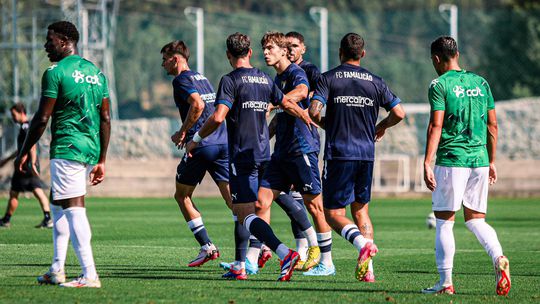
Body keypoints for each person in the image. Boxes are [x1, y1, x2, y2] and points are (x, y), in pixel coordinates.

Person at [186, 32, 314, 281]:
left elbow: (219, 116)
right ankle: (239, 265)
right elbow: (284, 103)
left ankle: (283, 252)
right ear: (251, 53)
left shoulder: (230, 80)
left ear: (228, 55)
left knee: (244, 214)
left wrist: (196, 140)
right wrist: (303, 114)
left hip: (243, 156)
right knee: (257, 206)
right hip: (265, 154)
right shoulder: (265, 78)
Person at [15, 21, 111, 288]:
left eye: (50, 40)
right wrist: (102, 159)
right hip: (88, 149)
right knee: (58, 206)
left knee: (74, 208)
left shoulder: (55, 71)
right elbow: (105, 118)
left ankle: (89, 274)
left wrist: (24, 152)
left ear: (66, 41)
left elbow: (42, 117)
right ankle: (57, 268)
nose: (46, 45)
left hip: (67, 146)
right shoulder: (97, 73)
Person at [309, 33, 405, 282]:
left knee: (332, 214)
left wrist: (326, 124)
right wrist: (381, 126)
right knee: (361, 211)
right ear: (362, 54)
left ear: (340, 52)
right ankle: (368, 270)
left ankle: (362, 244)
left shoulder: (328, 78)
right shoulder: (375, 81)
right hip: (366, 154)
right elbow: (399, 113)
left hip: (340, 154)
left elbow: (313, 110)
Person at [422, 36, 510, 296]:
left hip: (452, 160)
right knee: (476, 220)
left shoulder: (439, 84)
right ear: (457, 54)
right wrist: (492, 160)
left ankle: (445, 283)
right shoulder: (481, 83)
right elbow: (493, 125)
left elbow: (436, 125)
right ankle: (498, 257)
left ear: (437, 59)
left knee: (445, 222)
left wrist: (427, 161)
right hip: (479, 160)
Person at [255, 31, 335, 275]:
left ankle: (326, 262)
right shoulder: (277, 79)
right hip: (281, 152)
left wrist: (276, 102)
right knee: (261, 202)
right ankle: (266, 254)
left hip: (302, 148)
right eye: (264, 49)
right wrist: (261, 138)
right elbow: (279, 119)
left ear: (282, 51)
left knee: (315, 207)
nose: (266, 53)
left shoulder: (297, 73)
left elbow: (301, 92)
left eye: (270, 48)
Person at [160, 40, 231, 267]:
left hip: (201, 145)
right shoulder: (201, 77)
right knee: (234, 201)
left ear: (176, 59)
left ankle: (207, 247)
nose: (163, 65)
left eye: (164, 60)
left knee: (181, 195)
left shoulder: (181, 80)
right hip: (223, 142)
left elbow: (198, 105)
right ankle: (258, 246)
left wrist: (184, 132)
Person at [284, 31, 335, 276]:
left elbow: (316, 99)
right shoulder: (282, 75)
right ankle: (302, 251)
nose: (290, 50)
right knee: (289, 198)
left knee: (311, 202)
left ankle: (325, 258)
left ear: (303, 48)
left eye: (294, 46)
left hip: (305, 144)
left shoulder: (310, 72)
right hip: (286, 145)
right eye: (287, 46)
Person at [0, 103, 51, 229]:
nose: (12, 117)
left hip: (25, 165)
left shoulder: (25, 127)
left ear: (21, 112)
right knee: (36, 189)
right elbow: (21, 149)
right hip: (27, 163)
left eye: (13, 114)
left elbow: (32, 145)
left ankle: (6, 220)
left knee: (15, 192)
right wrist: (7, 160)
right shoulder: (25, 126)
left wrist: (31, 162)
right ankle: (47, 217)